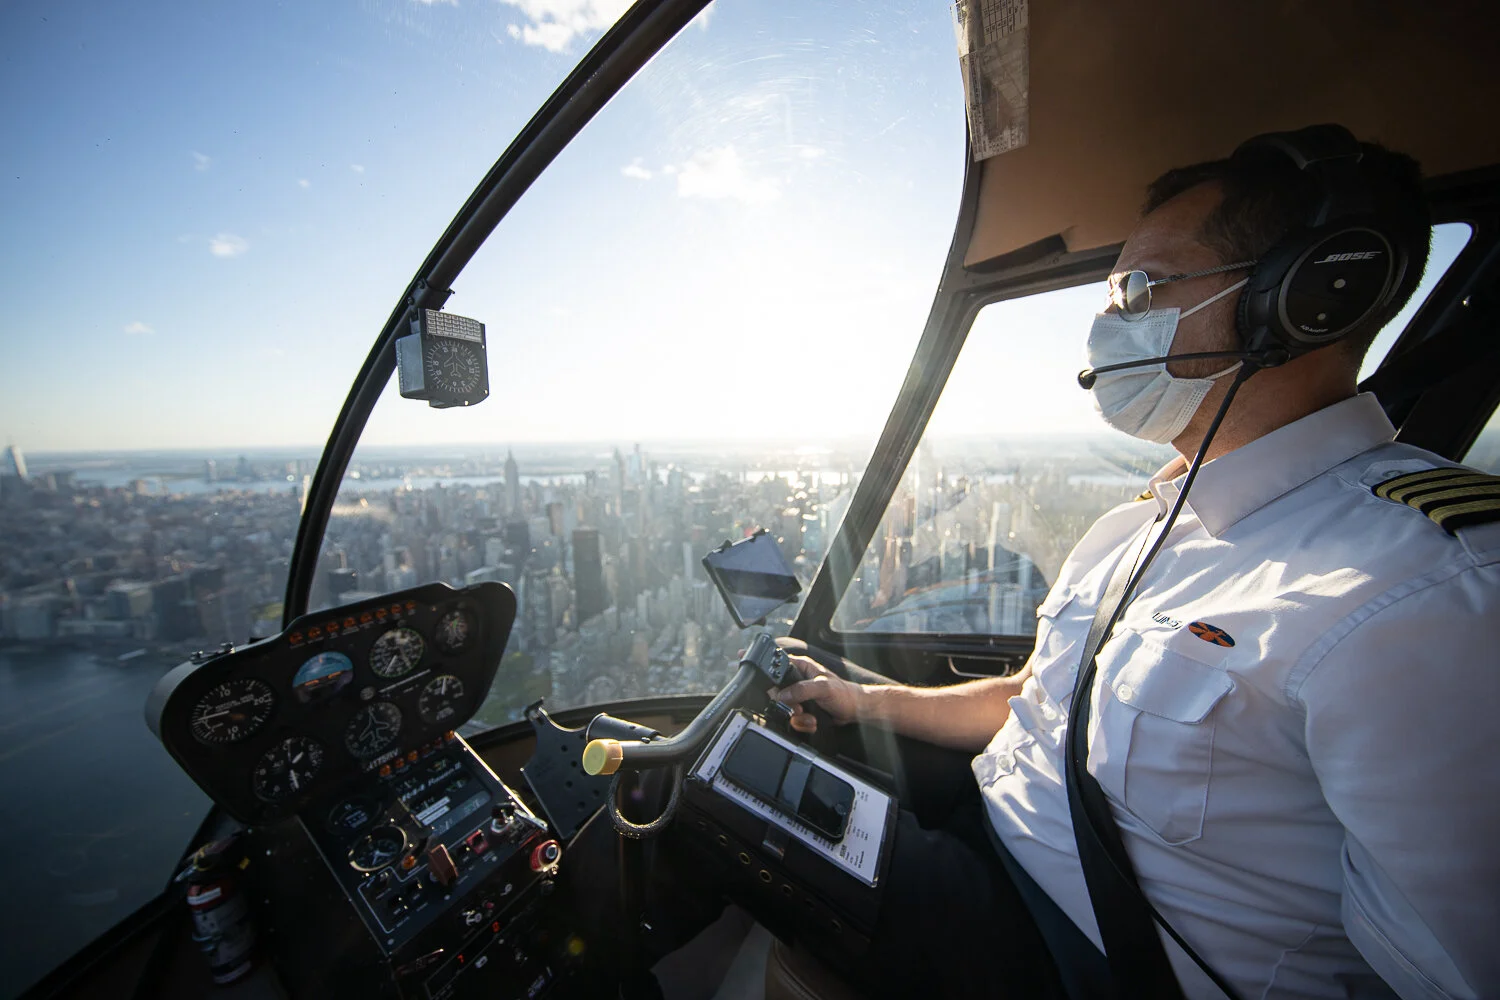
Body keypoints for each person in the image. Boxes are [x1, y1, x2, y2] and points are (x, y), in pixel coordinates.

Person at [772, 131, 1500, 999]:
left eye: (1139, 289)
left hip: (1078, 956)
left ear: (1299, 301)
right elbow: (1035, 700)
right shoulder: (1143, 523)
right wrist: (864, 702)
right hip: (987, 828)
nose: (1105, 324)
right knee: (734, 768)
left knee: (690, 826)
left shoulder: (1425, 592)